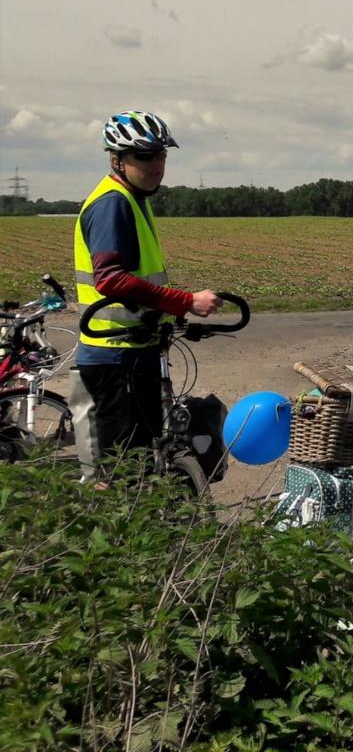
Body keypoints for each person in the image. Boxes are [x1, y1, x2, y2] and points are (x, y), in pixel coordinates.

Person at [70, 111, 223, 487]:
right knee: (126, 471)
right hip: (115, 355)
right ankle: (119, 540)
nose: (156, 165)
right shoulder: (113, 204)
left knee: (141, 460)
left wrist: (163, 311)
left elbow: (136, 277)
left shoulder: (134, 199)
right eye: (145, 156)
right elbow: (111, 279)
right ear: (117, 159)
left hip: (132, 349)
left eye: (161, 155)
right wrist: (185, 301)